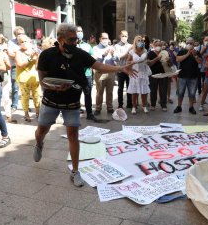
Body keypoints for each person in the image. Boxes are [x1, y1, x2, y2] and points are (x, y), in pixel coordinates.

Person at [33, 23, 136, 187]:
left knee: (73, 135)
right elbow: (42, 82)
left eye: (76, 39)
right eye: (71, 39)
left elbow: (100, 66)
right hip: (51, 100)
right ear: (60, 39)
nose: (75, 42)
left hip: (72, 101)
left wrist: (121, 68)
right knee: (41, 131)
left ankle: (75, 172)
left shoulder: (81, 54)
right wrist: (54, 87)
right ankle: (39, 144)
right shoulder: (47, 55)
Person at [15, 34, 40, 122]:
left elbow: (37, 67)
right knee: (25, 97)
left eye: (25, 41)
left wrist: (37, 59)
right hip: (23, 79)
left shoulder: (34, 51)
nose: (24, 43)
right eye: (21, 42)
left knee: (37, 96)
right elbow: (20, 65)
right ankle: (26, 114)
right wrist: (30, 58)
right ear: (18, 43)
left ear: (29, 42)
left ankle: (38, 113)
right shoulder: (18, 52)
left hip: (34, 78)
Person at [174, 37, 201, 114]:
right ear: (186, 43)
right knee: (180, 92)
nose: (189, 44)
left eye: (191, 43)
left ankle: (191, 107)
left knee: (192, 93)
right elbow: (177, 59)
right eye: (188, 43)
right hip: (182, 76)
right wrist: (187, 54)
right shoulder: (182, 51)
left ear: (194, 44)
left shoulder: (196, 52)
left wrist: (195, 55)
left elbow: (200, 62)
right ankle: (179, 106)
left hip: (193, 76)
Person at [75, 26, 97, 121]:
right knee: (75, 94)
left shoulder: (87, 46)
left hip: (87, 74)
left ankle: (90, 113)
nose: (79, 33)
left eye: (81, 31)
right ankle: (74, 113)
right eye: (77, 31)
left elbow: (93, 57)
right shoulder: (71, 45)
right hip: (75, 74)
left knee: (87, 94)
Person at [126, 35, 151, 114]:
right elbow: (127, 61)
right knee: (135, 91)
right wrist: (132, 62)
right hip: (135, 72)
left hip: (143, 72)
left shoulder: (145, 50)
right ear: (135, 42)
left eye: (141, 41)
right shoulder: (131, 51)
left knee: (144, 91)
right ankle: (133, 107)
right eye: (138, 40)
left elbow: (144, 60)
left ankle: (144, 106)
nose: (140, 42)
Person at [0, 38, 17, 123]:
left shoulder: (3, 53)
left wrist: (3, 62)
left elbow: (8, 67)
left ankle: (8, 116)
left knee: (6, 98)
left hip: (4, 78)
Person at [93, 32, 116, 115]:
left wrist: (113, 55)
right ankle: (98, 108)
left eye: (107, 38)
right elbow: (95, 62)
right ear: (100, 39)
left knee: (110, 92)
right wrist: (103, 55)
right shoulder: (96, 48)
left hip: (110, 73)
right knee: (99, 92)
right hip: (100, 73)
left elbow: (116, 60)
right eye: (104, 38)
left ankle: (110, 107)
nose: (105, 40)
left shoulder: (112, 47)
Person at [7, 26, 25, 112]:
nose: (21, 35)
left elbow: (30, 53)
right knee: (15, 87)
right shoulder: (11, 42)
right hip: (15, 66)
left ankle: (26, 105)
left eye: (22, 33)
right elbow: (10, 54)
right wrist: (22, 54)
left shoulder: (27, 41)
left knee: (25, 87)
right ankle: (14, 105)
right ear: (15, 35)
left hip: (26, 66)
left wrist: (16, 54)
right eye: (19, 34)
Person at [113, 30, 133, 109]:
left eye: (126, 36)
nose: (125, 37)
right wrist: (125, 55)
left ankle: (129, 104)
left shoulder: (130, 46)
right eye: (123, 36)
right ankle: (120, 104)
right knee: (120, 88)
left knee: (129, 87)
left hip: (129, 70)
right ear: (120, 36)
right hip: (120, 70)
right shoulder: (116, 46)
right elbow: (116, 58)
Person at [147, 39, 167, 111]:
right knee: (153, 90)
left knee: (163, 90)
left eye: (159, 45)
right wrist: (157, 58)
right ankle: (153, 105)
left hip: (163, 74)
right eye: (156, 45)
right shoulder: (150, 53)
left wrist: (169, 60)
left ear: (162, 46)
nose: (158, 46)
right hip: (153, 75)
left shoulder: (164, 53)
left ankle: (163, 105)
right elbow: (149, 63)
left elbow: (170, 64)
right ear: (153, 46)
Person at [198, 36, 208, 111]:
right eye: (205, 40)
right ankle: (201, 101)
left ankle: (205, 101)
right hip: (199, 68)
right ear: (203, 40)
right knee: (199, 83)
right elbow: (197, 55)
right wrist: (203, 50)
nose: (207, 41)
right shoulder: (199, 47)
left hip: (207, 70)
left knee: (205, 87)